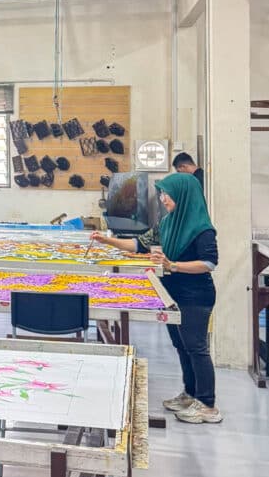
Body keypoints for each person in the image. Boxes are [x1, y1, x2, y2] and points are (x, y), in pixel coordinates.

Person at [92, 172, 221, 424]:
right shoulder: (167, 223)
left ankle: (207, 404)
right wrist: (106, 240)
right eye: (161, 194)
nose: (163, 199)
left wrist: (173, 265)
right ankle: (190, 394)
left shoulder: (202, 229)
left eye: (167, 194)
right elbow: (139, 244)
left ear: (183, 195)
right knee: (181, 345)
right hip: (171, 294)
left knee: (196, 347)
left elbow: (209, 263)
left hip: (195, 296)